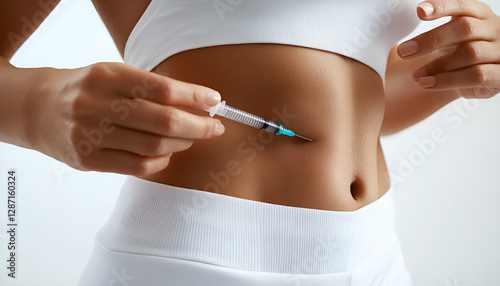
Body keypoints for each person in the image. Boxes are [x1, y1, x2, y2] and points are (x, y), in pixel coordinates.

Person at [1, 0, 499, 285]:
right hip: (193, 257)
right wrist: (38, 106)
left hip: (376, 261)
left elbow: (349, 95)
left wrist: (459, 70)